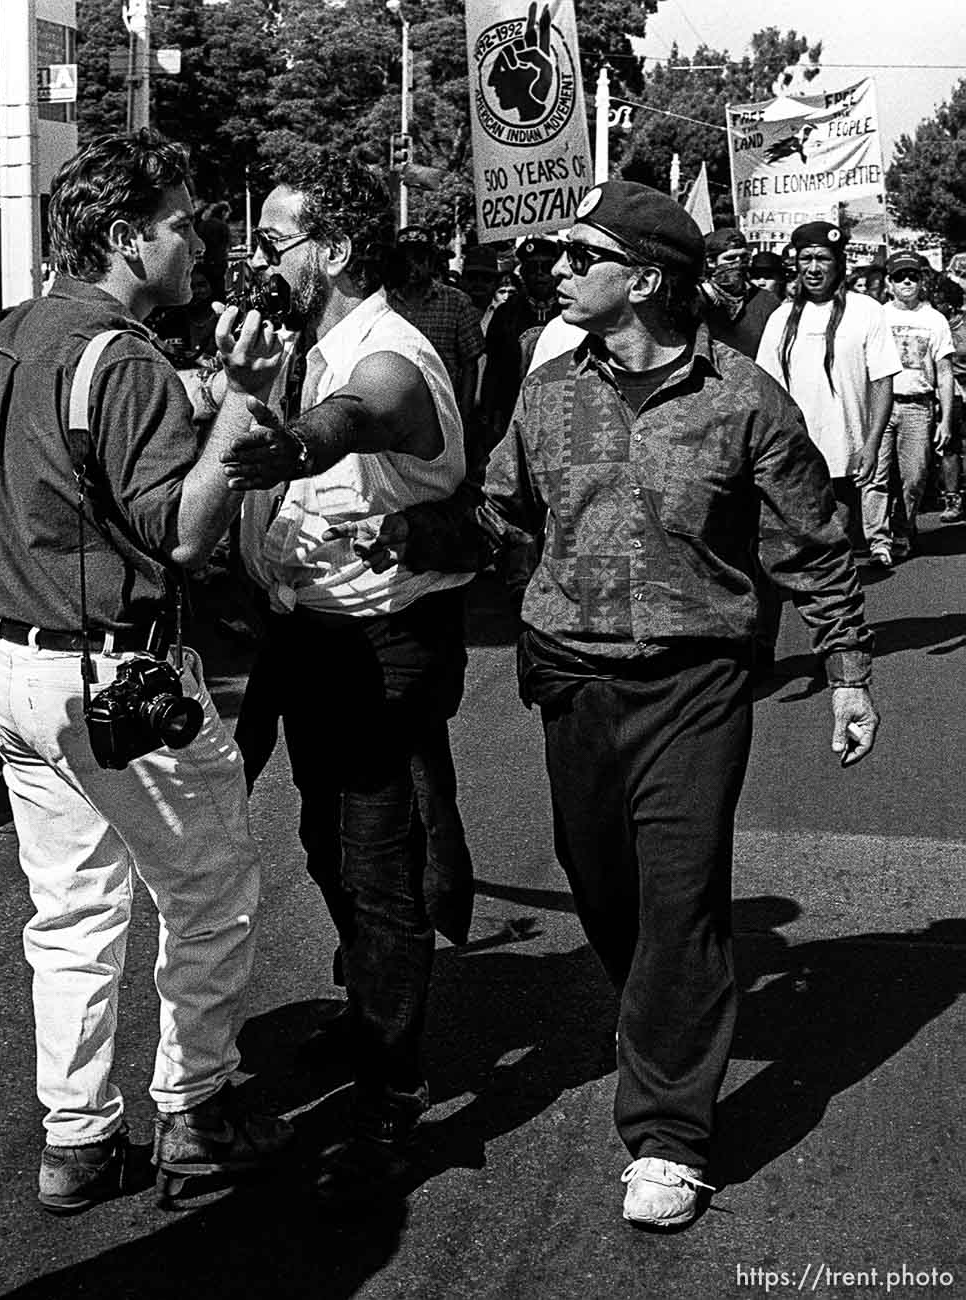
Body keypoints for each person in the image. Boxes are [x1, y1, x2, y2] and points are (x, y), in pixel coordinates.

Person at [330, 181, 880, 1230]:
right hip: (572, 674)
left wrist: (848, 667)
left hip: (696, 678)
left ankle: (669, 1131)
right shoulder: (546, 394)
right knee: (604, 883)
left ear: (647, 278)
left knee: (680, 893)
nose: (557, 269)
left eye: (579, 255)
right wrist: (408, 537)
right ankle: (656, 1011)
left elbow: (812, 542)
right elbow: (495, 515)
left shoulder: (741, 398)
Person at [0, 130, 294, 1215]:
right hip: (111, 678)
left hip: (10, 664)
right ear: (125, 238)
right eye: (184, 221)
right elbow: (182, 536)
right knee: (211, 890)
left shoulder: (8, 337)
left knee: (73, 909)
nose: (203, 238)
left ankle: (79, 1137)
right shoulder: (125, 357)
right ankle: (195, 1105)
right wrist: (239, 398)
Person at [222, 152, 473, 1203]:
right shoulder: (308, 344)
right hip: (313, 637)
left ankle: (394, 1082)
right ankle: (370, 1002)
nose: (258, 258)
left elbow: (359, 418)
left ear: (333, 247)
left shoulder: (389, 354)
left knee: (378, 861)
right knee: (325, 837)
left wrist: (284, 445)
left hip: (388, 643)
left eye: (276, 241)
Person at [756, 221, 899, 567]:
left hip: (844, 454)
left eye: (822, 258)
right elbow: (765, 389)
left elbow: (882, 382)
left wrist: (872, 444)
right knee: (803, 551)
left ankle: (842, 615)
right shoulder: (781, 318)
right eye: (806, 259)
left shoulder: (867, 311)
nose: (814, 268)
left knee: (839, 547)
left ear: (839, 262)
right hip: (794, 457)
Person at [875, 250, 955, 553]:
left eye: (912, 276)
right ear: (888, 283)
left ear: (922, 281)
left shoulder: (935, 320)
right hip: (881, 404)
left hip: (918, 406)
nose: (906, 282)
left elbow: (945, 373)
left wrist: (945, 419)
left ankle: (903, 527)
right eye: (899, 277)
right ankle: (878, 540)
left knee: (915, 476)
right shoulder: (878, 315)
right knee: (876, 476)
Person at [388, 224, 485, 429]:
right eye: (407, 259)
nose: (413, 265)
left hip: (442, 414)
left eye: (420, 258)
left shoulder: (456, 302)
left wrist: (464, 419)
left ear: (432, 262)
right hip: (393, 413)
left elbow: (470, 366)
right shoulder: (383, 302)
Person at [480, 237, 561, 450]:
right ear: (523, 273)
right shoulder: (506, 314)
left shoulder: (571, 312)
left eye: (546, 267)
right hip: (513, 411)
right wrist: (489, 416)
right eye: (533, 267)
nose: (540, 274)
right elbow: (493, 370)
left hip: (563, 409)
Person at [699, 228, 780, 358]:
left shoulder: (767, 301)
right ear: (711, 262)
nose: (738, 263)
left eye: (743, 257)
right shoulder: (697, 300)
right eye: (730, 258)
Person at [931, 275, 966, 522]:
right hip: (947, 393)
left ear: (951, 304)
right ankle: (952, 499)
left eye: (939, 302)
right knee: (949, 446)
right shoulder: (933, 324)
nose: (935, 306)